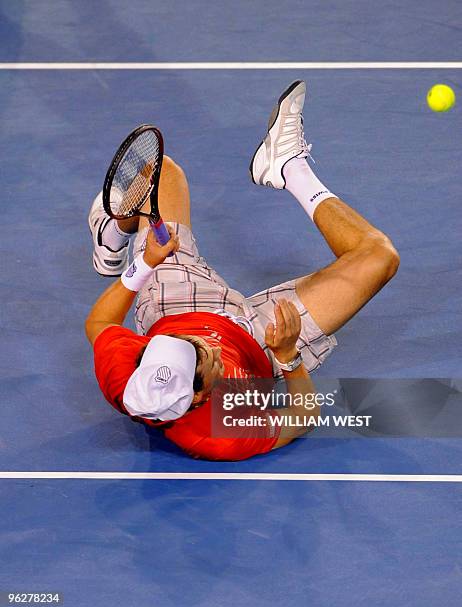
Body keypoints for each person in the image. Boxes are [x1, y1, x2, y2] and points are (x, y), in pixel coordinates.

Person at [85, 81, 399, 461]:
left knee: (162, 173)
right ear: (200, 397)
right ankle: (290, 167)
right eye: (200, 356)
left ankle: (113, 233)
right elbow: (303, 417)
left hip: (178, 305)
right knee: (379, 257)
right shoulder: (221, 434)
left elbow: (100, 326)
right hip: (261, 342)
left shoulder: (126, 374)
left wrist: (146, 263)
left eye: (185, 346)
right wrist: (288, 357)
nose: (204, 344)